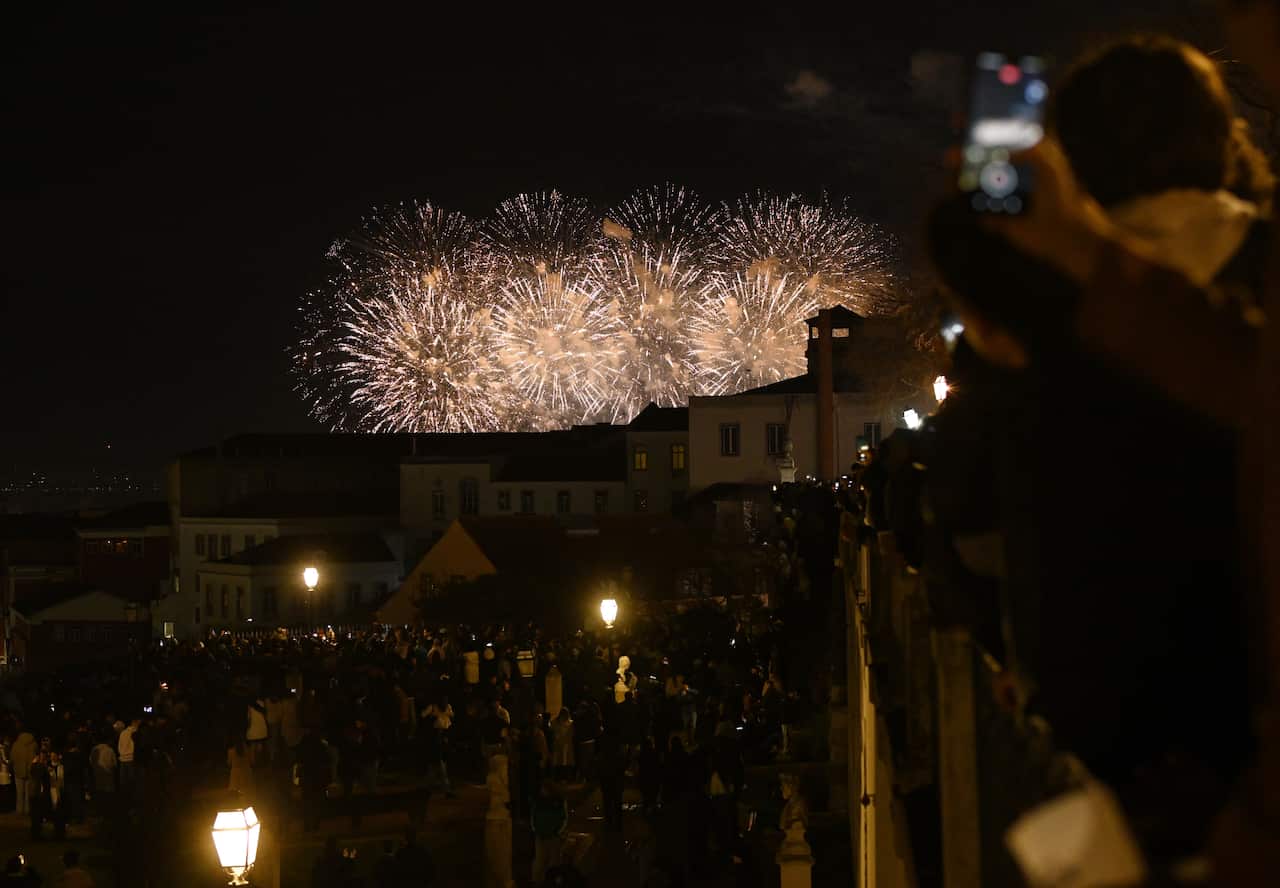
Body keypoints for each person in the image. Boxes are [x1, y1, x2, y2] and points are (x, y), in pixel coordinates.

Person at [530, 780, 568, 885]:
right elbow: (533, 817)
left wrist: (558, 831)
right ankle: (539, 880)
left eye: (544, 789)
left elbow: (564, 818)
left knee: (553, 860)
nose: (542, 791)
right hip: (542, 835)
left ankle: (551, 881)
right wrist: (536, 830)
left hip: (553, 835)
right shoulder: (538, 802)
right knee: (540, 860)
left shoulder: (558, 801)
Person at [11, 724, 36, 817]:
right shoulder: (34, 744)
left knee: (19, 792)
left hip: (18, 770)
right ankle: (27, 810)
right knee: (28, 793)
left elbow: (12, 758)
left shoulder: (16, 744)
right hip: (30, 771)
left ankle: (19, 810)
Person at [549, 709, 574, 781]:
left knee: (564, 762)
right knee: (559, 762)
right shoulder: (554, 723)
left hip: (566, 745)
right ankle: (559, 777)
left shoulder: (570, 723)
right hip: (559, 745)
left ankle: (564, 777)